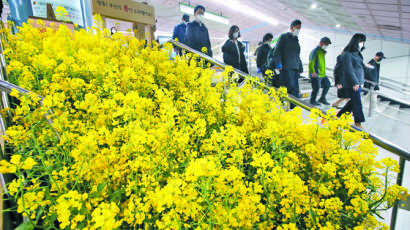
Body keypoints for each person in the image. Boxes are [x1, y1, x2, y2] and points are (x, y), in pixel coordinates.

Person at [336, 33, 367, 129]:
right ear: (357, 42)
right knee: (357, 102)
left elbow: (358, 67)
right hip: (352, 83)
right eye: (362, 42)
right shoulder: (347, 54)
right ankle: (358, 122)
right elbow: (348, 69)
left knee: (353, 101)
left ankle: (339, 116)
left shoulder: (356, 54)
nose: (363, 44)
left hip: (358, 82)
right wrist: (354, 82)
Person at [273, 19, 304, 108]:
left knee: (295, 89)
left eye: (299, 29)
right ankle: (288, 107)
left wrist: (300, 67)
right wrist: (278, 64)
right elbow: (277, 51)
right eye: (297, 28)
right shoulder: (284, 37)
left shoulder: (296, 40)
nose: (298, 30)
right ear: (291, 27)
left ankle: (294, 107)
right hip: (286, 67)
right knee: (290, 87)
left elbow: (297, 55)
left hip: (295, 68)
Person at [309, 37, 332, 106]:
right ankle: (312, 101)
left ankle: (322, 98)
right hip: (315, 73)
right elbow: (311, 61)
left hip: (322, 74)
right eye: (326, 44)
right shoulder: (315, 51)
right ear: (322, 43)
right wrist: (312, 71)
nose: (327, 46)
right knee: (316, 88)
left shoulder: (321, 52)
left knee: (328, 84)